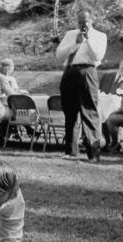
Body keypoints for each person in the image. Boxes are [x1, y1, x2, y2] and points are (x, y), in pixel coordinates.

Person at [56, 8, 107, 162]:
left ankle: (93, 154)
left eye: (84, 21)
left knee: (89, 112)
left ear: (92, 20)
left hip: (87, 72)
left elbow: (98, 55)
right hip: (70, 71)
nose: (82, 24)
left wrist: (88, 39)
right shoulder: (70, 34)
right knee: (70, 112)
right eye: (79, 21)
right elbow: (59, 55)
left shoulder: (100, 36)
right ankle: (70, 151)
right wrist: (75, 44)